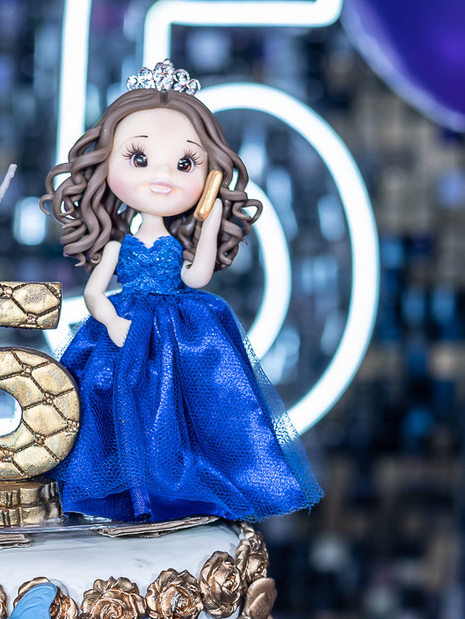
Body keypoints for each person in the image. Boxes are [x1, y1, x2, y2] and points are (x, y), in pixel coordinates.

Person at [40, 61, 322, 525]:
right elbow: (94, 293)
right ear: (106, 162)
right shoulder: (117, 245)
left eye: (185, 164)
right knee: (112, 408)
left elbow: (197, 278)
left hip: (179, 329)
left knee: (190, 408)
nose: (162, 176)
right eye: (138, 158)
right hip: (125, 326)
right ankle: (121, 495)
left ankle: (178, 489)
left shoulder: (177, 241)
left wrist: (211, 225)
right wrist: (110, 320)